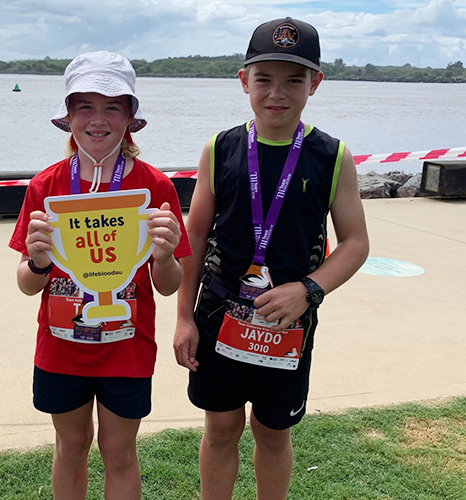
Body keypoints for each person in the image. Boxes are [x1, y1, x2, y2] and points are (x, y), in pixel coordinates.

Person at [173, 18, 370, 499]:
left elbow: (355, 243)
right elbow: (194, 236)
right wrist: (183, 317)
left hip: (288, 323)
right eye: (263, 79)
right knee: (219, 428)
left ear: (315, 84)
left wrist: (309, 289)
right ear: (244, 81)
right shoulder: (220, 149)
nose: (276, 93)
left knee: (272, 432)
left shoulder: (332, 155)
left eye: (293, 80)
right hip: (219, 315)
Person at [9, 51, 192, 500]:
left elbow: (168, 285)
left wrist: (166, 256)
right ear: (68, 116)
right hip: (60, 347)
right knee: (70, 447)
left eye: (113, 106)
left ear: (131, 116)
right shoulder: (45, 186)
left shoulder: (156, 186)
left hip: (127, 347)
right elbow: (26, 283)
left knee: (120, 452)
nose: (98, 119)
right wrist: (37, 261)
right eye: (85, 106)